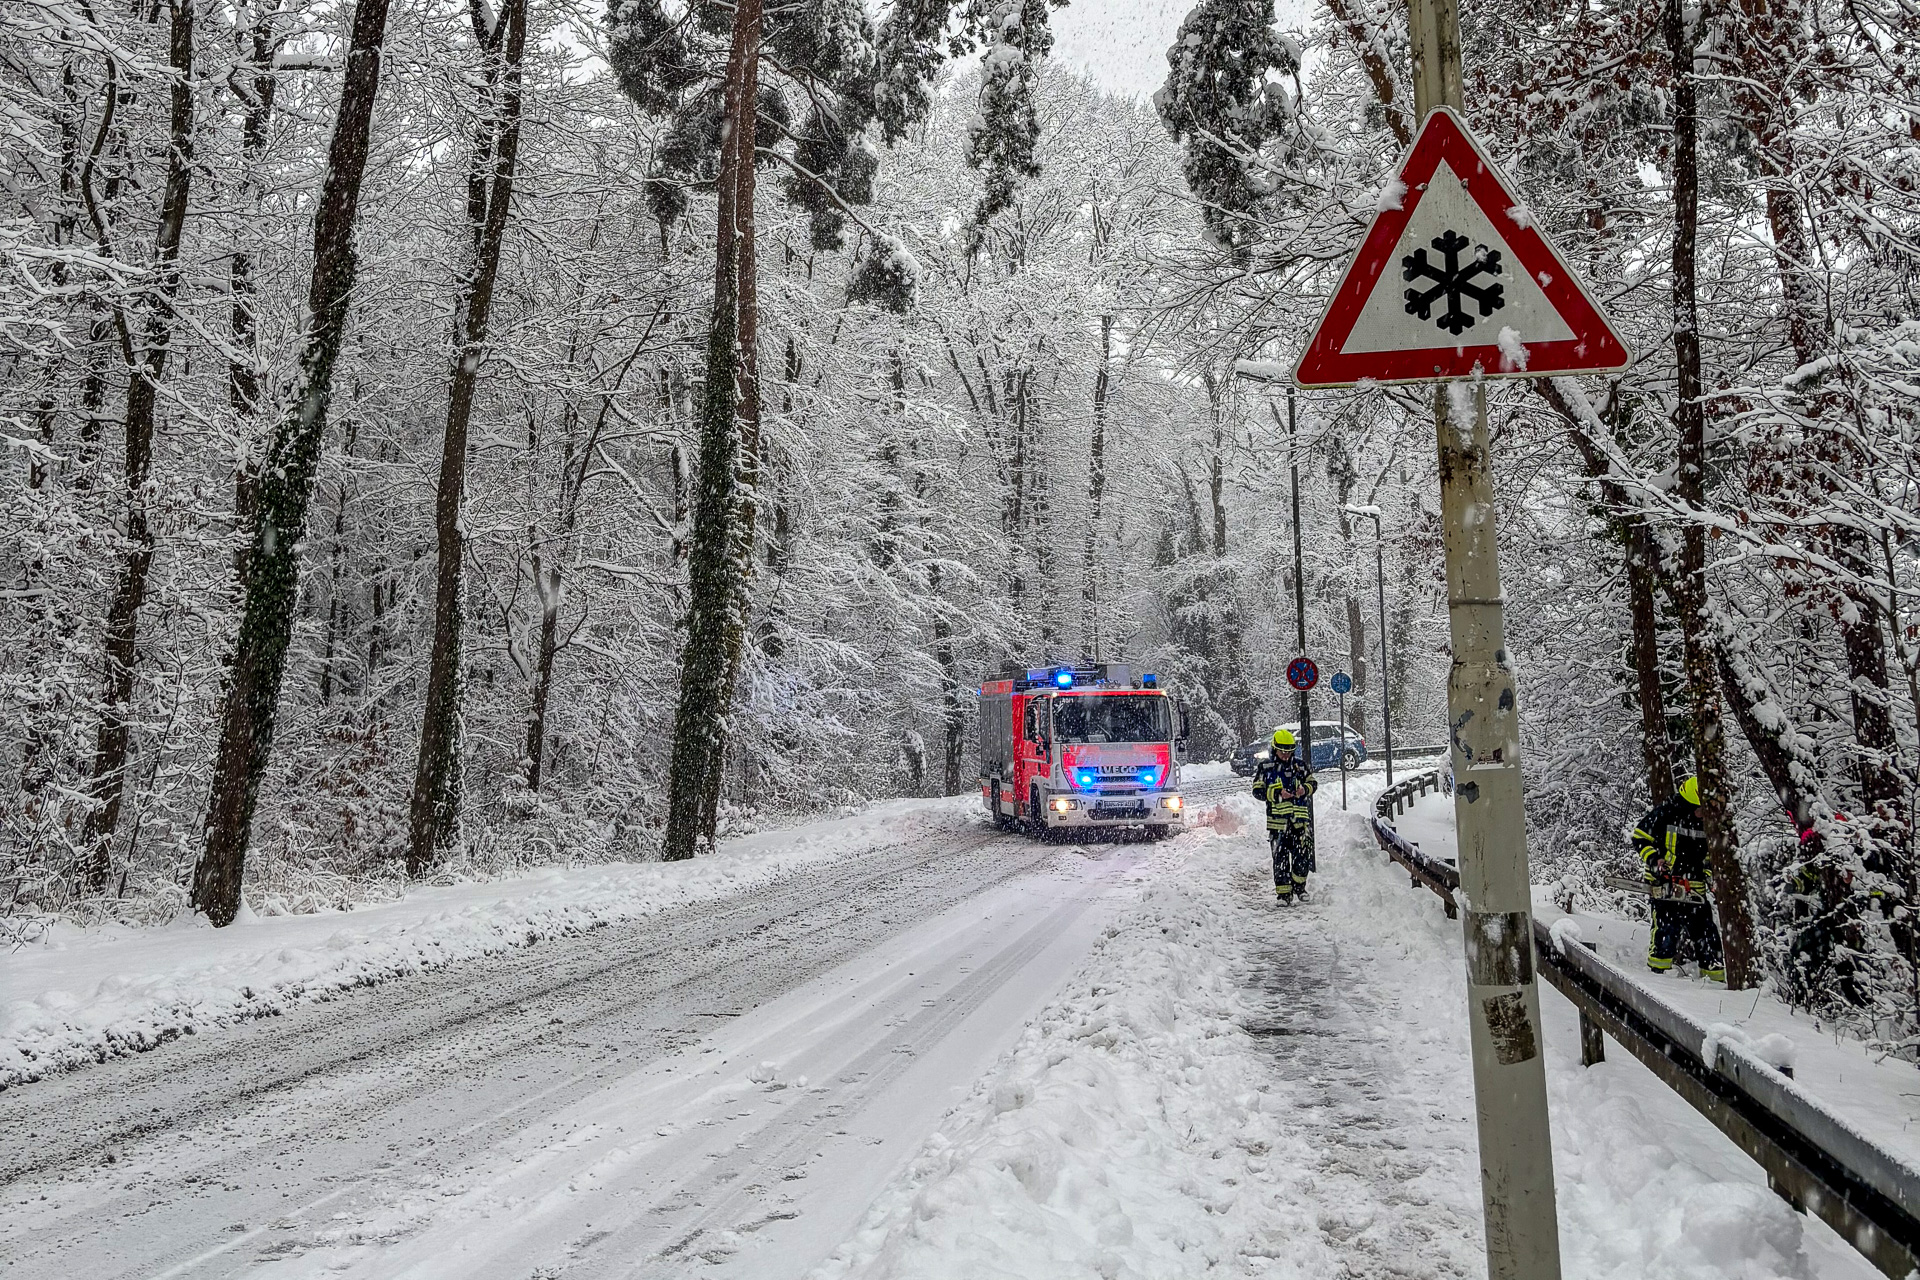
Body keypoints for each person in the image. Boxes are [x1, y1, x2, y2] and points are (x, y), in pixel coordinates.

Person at [1631, 775, 1725, 982]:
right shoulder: (1666, 813)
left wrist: (1709, 877)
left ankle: (1715, 978)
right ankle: (1658, 976)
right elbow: (1639, 837)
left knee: (1706, 932)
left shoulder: (1708, 821)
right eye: (1700, 809)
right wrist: (1655, 860)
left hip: (1694, 886)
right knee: (1666, 929)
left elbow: (1709, 856)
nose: (1702, 814)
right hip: (1665, 883)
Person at [1253, 728, 1317, 903]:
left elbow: (1313, 783)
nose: (1286, 755)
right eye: (1282, 751)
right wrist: (1276, 793)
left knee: (1302, 856)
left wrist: (1305, 789)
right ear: (1275, 749)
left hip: (1300, 822)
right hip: (1278, 823)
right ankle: (1283, 894)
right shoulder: (1265, 768)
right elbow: (1257, 791)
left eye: (1289, 752)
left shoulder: (1300, 766)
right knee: (1280, 859)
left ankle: (1300, 887)